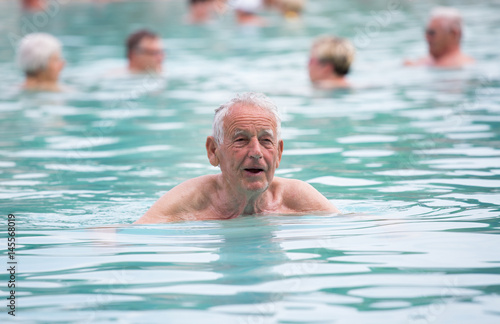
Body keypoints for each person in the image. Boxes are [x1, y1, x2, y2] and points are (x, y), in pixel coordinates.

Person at [135, 92, 339, 224]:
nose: (256, 152)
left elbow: (351, 226)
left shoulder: (297, 199)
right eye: (241, 139)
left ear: (279, 153)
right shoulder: (188, 204)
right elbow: (123, 236)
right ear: (213, 151)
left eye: (266, 140)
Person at [404, 7, 474, 68]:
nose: (426, 37)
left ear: (453, 34)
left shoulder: (459, 66)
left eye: (432, 33)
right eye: (427, 32)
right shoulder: (429, 61)